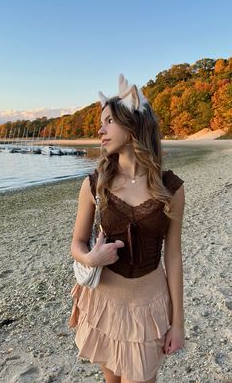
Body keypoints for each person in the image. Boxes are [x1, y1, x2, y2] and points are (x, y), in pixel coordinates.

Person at [70, 74, 185, 383]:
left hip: (149, 306)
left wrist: (178, 322)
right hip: (106, 303)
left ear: (133, 124)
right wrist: (91, 259)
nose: (100, 129)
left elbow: (173, 258)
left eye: (109, 121)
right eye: (101, 122)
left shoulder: (170, 187)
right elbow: (77, 244)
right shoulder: (95, 184)